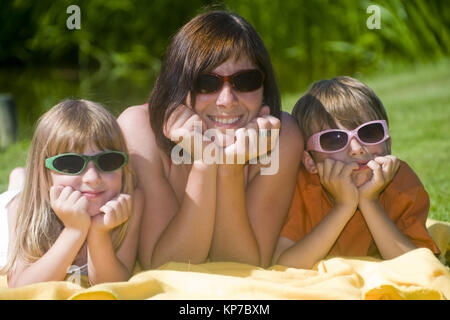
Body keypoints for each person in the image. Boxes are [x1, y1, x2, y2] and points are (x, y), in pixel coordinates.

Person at [117, 10, 303, 269]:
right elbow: (164, 265)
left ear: (265, 85)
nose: (226, 101)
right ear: (177, 84)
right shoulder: (139, 129)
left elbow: (244, 263)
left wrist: (230, 168)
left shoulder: (283, 135)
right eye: (206, 83)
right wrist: (205, 163)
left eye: (245, 81)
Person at [273, 76, 440, 269]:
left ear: (388, 143)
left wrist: (369, 201)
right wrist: (344, 206)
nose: (356, 148)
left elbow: (417, 269)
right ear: (310, 162)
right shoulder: (299, 187)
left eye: (369, 132)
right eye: (334, 139)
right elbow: (284, 265)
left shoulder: (400, 181)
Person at [0, 99, 143, 287]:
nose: (92, 177)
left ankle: (21, 177)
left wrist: (99, 233)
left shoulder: (130, 201)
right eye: (70, 164)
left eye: (108, 161)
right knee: (17, 191)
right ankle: (19, 180)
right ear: (43, 172)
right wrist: (74, 230)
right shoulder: (23, 205)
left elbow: (113, 284)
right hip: (13, 203)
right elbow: (21, 288)